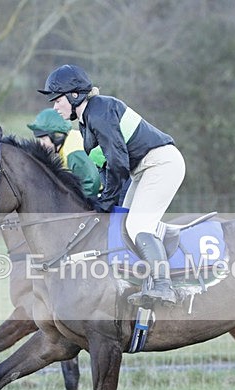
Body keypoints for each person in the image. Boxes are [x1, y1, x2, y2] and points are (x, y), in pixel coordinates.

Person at [38, 64, 185, 307]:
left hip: (161, 164)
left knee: (137, 225)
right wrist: (104, 202)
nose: (54, 107)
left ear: (74, 95)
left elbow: (118, 163)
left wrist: (105, 200)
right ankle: (140, 281)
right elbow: (108, 167)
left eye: (57, 100)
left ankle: (163, 286)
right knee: (121, 224)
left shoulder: (99, 112)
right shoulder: (87, 120)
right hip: (143, 169)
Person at [26, 108, 101, 199]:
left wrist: (78, 203)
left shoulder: (72, 151)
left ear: (57, 137)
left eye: (44, 139)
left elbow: (92, 182)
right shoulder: (68, 142)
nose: (41, 144)